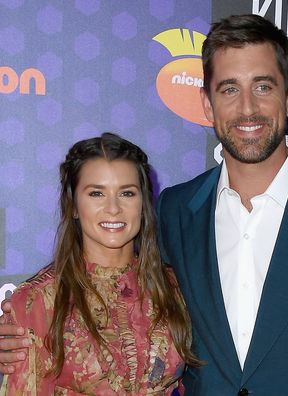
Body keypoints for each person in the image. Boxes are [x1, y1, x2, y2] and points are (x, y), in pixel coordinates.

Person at [1, 14, 288, 395]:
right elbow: (102, 289)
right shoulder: (177, 210)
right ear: (206, 104)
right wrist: (19, 329)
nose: (247, 109)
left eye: (263, 87)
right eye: (228, 89)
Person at [0, 133, 198, 395]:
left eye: (127, 193)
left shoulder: (174, 287)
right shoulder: (39, 300)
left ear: (143, 204)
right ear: (73, 206)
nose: (113, 208)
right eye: (96, 193)